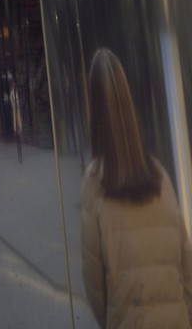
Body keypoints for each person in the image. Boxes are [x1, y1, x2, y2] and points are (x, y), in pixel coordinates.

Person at [80, 48, 192, 329]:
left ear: (93, 108)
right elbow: (187, 265)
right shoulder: (160, 175)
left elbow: (95, 289)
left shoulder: (94, 181)